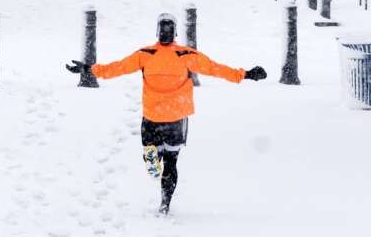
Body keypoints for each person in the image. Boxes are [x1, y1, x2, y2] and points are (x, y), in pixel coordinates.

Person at [66, 13, 267, 215]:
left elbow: (117, 68)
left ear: (158, 31)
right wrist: (246, 74)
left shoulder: (146, 53)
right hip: (176, 119)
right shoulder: (185, 55)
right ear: (175, 32)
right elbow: (215, 69)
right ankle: (165, 202)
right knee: (171, 162)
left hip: (153, 117)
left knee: (155, 159)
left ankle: (155, 166)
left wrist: (88, 69)